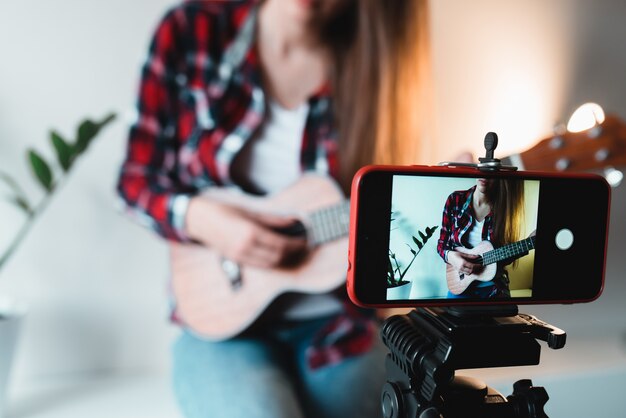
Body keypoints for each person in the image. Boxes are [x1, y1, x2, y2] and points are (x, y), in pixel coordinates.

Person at [117, 0, 432, 417]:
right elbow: (135, 183)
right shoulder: (189, 32)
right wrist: (207, 221)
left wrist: (434, 199)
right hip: (220, 331)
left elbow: (392, 242)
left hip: (340, 329)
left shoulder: (375, 68)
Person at [436, 178, 525, 298]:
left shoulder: (506, 210)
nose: (485, 176)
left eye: (492, 173)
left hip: (494, 287)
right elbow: (442, 244)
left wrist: (525, 246)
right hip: (459, 285)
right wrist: (452, 258)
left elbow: (505, 256)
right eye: (483, 169)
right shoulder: (455, 199)